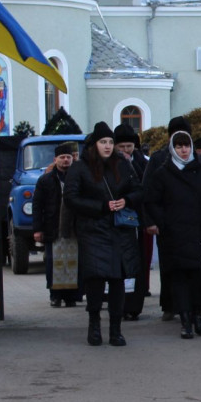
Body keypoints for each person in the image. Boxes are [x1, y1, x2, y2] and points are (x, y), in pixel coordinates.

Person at [64, 121, 144, 347]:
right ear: (94, 144)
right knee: (96, 280)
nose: (108, 146)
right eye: (103, 142)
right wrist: (101, 206)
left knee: (118, 280)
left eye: (110, 142)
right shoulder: (80, 167)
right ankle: (94, 326)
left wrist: (125, 201)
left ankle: (116, 330)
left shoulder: (123, 165)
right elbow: (70, 198)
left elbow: (139, 190)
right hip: (93, 230)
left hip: (120, 230)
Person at [145, 130, 201, 339]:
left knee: (200, 277)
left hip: (200, 234)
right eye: (179, 146)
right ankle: (186, 320)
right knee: (180, 280)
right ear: (173, 148)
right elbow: (152, 201)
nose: (183, 150)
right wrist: (161, 223)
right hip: (175, 236)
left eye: (186, 146)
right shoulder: (163, 173)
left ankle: (198, 314)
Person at [149, 116, 192, 322]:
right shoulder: (159, 159)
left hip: (191, 223)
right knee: (169, 266)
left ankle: (192, 306)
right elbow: (149, 192)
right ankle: (169, 304)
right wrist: (153, 220)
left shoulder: (195, 160)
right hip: (167, 222)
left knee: (191, 266)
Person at [32, 142, 81, 308]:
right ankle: (55, 295)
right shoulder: (45, 180)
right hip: (53, 228)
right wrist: (37, 229)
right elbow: (37, 205)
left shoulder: (78, 177)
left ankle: (72, 297)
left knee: (74, 262)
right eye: (62, 157)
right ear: (55, 159)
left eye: (68, 157)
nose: (66, 160)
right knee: (54, 263)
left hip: (74, 228)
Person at [114, 124, 150, 320]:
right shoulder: (111, 164)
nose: (126, 150)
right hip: (120, 220)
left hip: (139, 219)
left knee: (139, 263)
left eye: (129, 146)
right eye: (122, 147)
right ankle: (119, 304)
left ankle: (135, 305)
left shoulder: (142, 163)